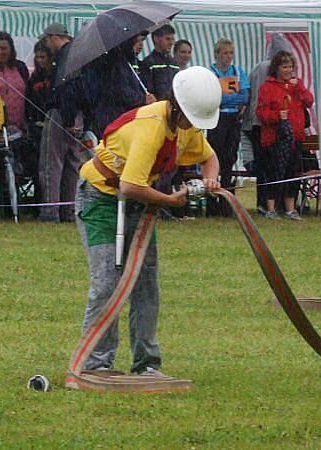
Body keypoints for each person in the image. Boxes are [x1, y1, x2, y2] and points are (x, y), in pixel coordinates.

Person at [74, 66, 221, 375]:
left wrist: (210, 180)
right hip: (101, 200)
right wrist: (170, 202)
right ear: (178, 107)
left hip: (138, 205)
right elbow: (129, 185)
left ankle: (147, 365)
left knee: (145, 285)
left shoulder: (185, 125)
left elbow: (209, 157)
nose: (195, 126)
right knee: (107, 284)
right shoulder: (152, 126)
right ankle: (95, 365)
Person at [256, 50, 313, 220]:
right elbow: (260, 113)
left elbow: (309, 101)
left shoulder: (297, 86)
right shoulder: (267, 88)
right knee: (273, 172)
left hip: (295, 138)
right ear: (277, 68)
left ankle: (290, 209)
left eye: (290, 66)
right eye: (284, 66)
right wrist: (276, 116)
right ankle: (271, 209)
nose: (288, 70)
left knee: (292, 173)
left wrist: (300, 88)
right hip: (274, 138)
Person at [37, 22, 83, 223]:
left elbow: (66, 89)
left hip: (63, 114)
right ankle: (69, 210)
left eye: (47, 40)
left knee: (51, 163)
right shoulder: (80, 53)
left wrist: (67, 118)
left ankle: (50, 212)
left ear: (54, 37)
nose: (47, 44)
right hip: (79, 114)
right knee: (73, 164)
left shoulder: (64, 57)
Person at [242, 34, 292, 214]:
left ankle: (264, 203)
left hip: (256, 121)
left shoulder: (258, 68)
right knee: (269, 166)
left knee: (265, 166)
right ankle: (268, 204)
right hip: (265, 123)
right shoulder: (269, 69)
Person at [206, 38, 250, 217]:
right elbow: (213, 98)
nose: (228, 57)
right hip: (217, 120)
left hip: (233, 120)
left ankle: (227, 203)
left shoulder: (238, 72)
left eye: (231, 53)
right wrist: (229, 99)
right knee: (213, 159)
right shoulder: (210, 72)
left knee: (229, 160)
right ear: (217, 54)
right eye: (225, 53)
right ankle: (211, 203)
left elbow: (244, 97)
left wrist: (227, 98)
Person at [24, 40, 52, 200]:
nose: (40, 61)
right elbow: (28, 103)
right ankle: (38, 198)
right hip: (36, 126)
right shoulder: (34, 79)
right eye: (38, 57)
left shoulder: (54, 76)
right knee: (37, 164)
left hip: (50, 124)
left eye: (43, 57)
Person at [139, 24, 178, 101]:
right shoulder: (148, 63)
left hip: (174, 106)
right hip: (158, 107)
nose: (171, 42)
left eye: (173, 39)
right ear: (156, 39)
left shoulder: (174, 63)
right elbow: (148, 91)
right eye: (167, 39)